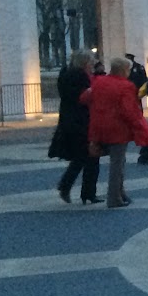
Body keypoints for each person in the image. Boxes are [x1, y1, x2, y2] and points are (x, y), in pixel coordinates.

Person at [83, 56, 148, 209]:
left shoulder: (99, 81)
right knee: (117, 163)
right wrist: (141, 128)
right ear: (124, 70)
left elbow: (84, 98)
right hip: (117, 128)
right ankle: (114, 197)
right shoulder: (126, 86)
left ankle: (120, 193)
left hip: (98, 126)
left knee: (117, 162)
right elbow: (129, 111)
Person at [51, 49, 100, 203]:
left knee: (83, 156)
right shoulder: (79, 76)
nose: (93, 63)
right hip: (81, 120)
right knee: (89, 156)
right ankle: (84, 191)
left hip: (70, 119)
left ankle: (72, 188)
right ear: (85, 62)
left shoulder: (66, 73)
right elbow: (83, 98)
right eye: (91, 60)